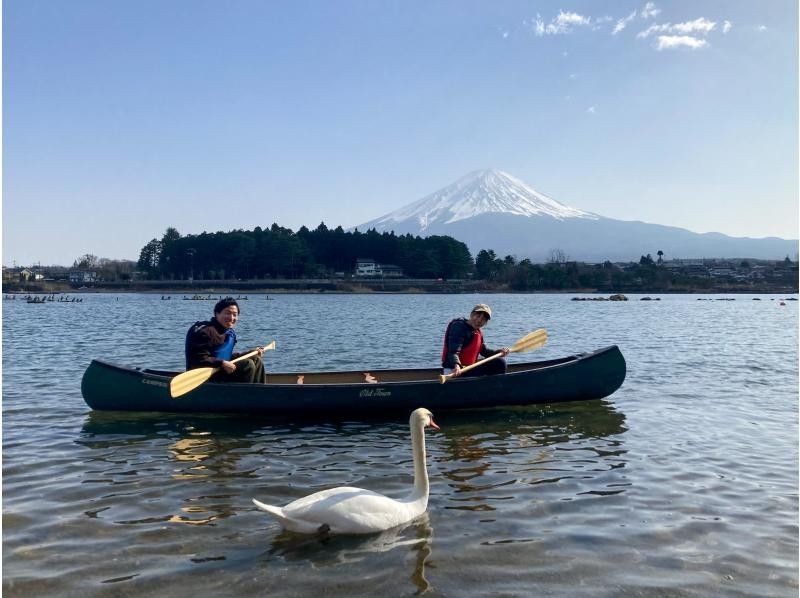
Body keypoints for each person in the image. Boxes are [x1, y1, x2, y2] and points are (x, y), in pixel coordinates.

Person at [184, 297, 267, 383]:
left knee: (256, 360)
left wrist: (251, 353)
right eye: (227, 313)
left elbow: (225, 356)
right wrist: (221, 363)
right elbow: (198, 359)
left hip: (221, 371)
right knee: (247, 365)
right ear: (217, 313)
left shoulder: (229, 333)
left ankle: (259, 391)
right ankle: (244, 394)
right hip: (206, 377)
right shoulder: (205, 332)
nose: (231, 318)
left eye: (235, 315)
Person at [441, 303, 510, 378]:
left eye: (484, 319)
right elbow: (453, 352)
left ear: (486, 323)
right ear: (471, 315)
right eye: (478, 316)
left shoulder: (477, 331)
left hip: (468, 369)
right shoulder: (458, 327)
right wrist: (456, 365)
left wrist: (499, 352)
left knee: (499, 362)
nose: (479, 320)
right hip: (454, 371)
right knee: (500, 363)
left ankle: (494, 387)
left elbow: (484, 351)